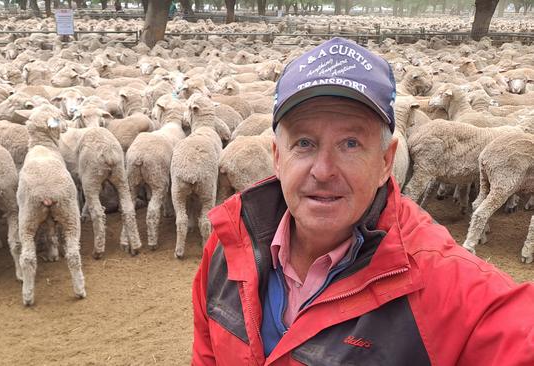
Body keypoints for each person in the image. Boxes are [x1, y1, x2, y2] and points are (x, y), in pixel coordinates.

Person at [191, 37, 534, 365]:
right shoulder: (229, 245)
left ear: (386, 161)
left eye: (351, 143)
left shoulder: (445, 287)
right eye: (304, 143)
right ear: (277, 157)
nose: (323, 171)